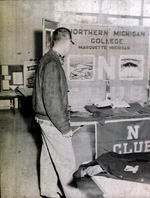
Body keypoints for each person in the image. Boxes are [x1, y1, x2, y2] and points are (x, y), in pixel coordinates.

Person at [32, 27, 82, 198]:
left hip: (43, 119)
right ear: (66, 41)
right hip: (52, 121)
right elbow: (52, 101)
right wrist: (64, 127)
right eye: (70, 43)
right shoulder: (52, 64)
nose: (70, 48)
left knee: (48, 157)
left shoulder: (47, 59)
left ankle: (48, 191)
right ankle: (74, 195)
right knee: (67, 161)